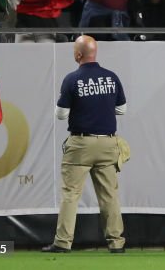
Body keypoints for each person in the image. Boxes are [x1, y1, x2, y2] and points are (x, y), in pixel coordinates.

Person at [43, 35, 127, 254]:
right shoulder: (111, 77)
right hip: (108, 143)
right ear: (95, 53)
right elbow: (122, 109)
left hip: (80, 144)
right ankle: (116, 243)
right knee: (109, 195)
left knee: (71, 194)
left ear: (78, 54)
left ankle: (62, 242)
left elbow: (61, 115)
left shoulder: (72, 79)